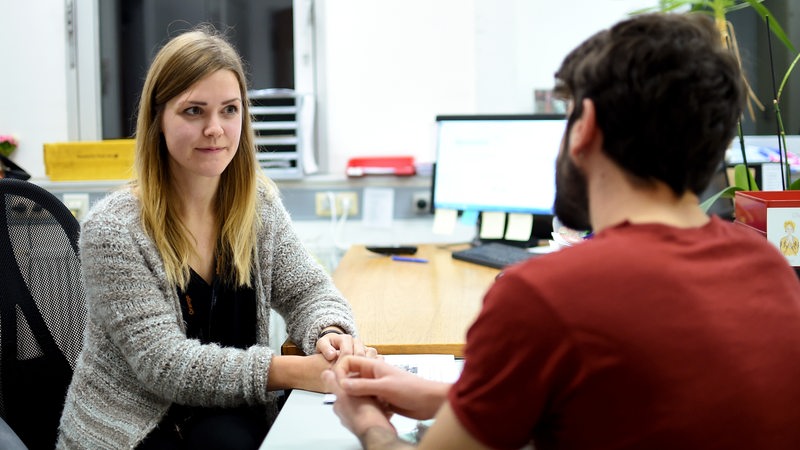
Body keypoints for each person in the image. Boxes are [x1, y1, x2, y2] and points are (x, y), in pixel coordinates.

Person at [323, 13, 800, 450]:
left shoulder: (542, 297)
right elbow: (632, 408)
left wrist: (368, 422)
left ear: (584, 127)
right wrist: (441, 396)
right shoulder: (769, 268)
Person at [57, 26, 374, 449]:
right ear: (157, 119)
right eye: (193, 111)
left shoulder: (255, 204)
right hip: (135, 427)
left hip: (226, 413)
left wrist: (328, 332)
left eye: (229, 109)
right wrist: (293, 371)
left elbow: (308, 290)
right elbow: (164, 364)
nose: (216, 129)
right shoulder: (114, 229)